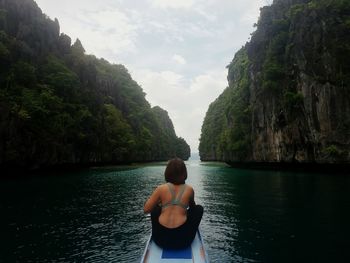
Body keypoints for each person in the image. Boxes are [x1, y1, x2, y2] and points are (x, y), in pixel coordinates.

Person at [144, 158, 203, 249]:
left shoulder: (160, 188)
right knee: (199, 209)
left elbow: (146, 209)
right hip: (184, 241)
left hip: (160, 240)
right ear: (184, 173)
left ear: (167, 173)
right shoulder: (189, 189)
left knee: (155, 208)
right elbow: (193, 208)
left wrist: (159, 201)